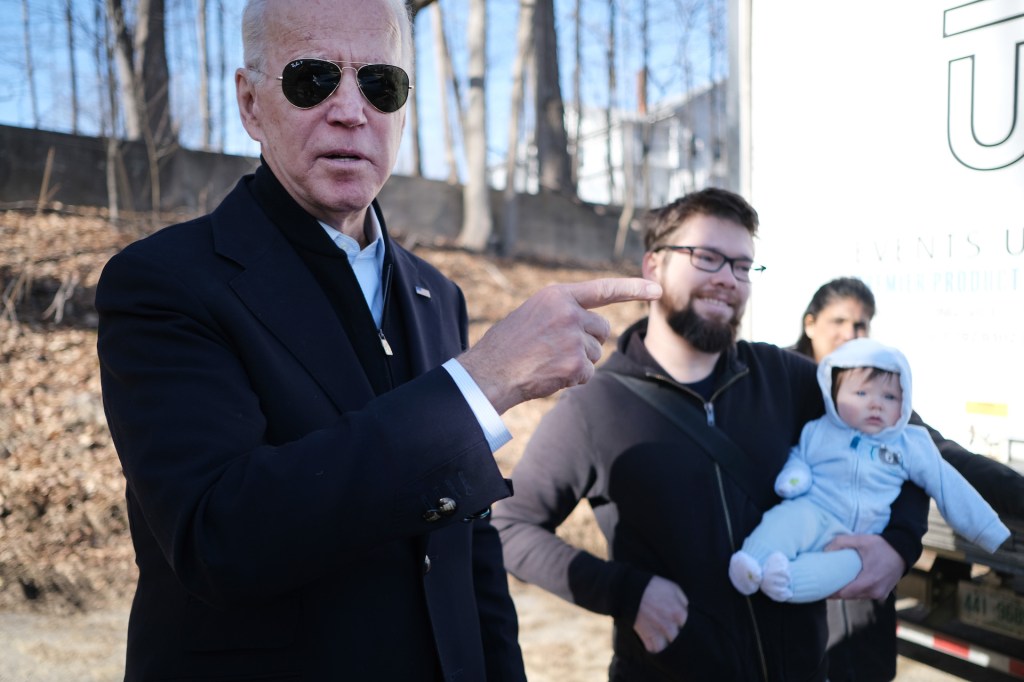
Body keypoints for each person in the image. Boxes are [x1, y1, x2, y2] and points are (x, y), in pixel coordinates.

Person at [94, 0, 660, 679]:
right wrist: (476, 386)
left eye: (379, 83)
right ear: (250, 104)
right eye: (312, 79)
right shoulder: (166, 282)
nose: (350, 110)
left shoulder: (435, 294)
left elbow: (469, 549)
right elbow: (221, 537)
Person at [491, 188, 929, 681]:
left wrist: (899, 542)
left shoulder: (787, 378)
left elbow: (910, 439)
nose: (728, 279)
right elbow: (510, 526)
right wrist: (625, 593)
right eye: (707, 258)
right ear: (653, 266)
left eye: (743, 266)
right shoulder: (596, 407)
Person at [794, 276, 1024, 682]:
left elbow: (941, 455)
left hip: (867, 583)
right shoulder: (780, 384)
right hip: (797, 582)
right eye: (839, 321)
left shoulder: (875, 393)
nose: (851, 333)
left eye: (861, 324)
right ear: (810, 323)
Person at [729, 338, 1009, 603]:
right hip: (815, 508)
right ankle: (754, 559)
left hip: (863, 534)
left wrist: (988, 530)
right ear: (834, 394)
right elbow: (800, 456)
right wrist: (795, 477)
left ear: (905, 400)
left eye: (889, 396)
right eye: (861, 393)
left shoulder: (910, 444)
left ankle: (787, 582)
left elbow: (948, 486)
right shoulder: (820, 429)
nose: (876, 404)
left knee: (841, 568)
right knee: (786, 520)